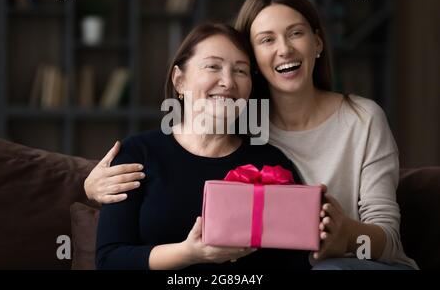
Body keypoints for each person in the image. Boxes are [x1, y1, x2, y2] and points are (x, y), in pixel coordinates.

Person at [87, 0, 418, 270]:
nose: (284, 49)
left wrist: (345, 235)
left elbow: (386, 236)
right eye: (266, 39)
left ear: (317, 43)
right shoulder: (236, 127)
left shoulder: (358, 120)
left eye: (296, 33)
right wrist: (88, 186)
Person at [94, 23, 311, 270]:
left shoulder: (272, 163)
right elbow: (109, 260)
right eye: (213, 66)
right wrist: (188, 253)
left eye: (241, 71)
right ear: (180, 81)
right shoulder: (138, 154)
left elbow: (296, 263)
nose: (228, 82)